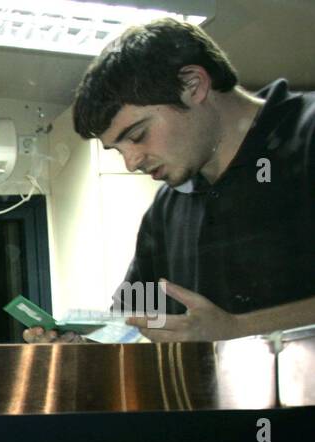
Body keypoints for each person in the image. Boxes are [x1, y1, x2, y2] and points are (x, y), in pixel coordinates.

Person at [25, 18, 314, 344]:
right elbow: (130, 317)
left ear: (193, 85)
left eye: (138, 135)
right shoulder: (167, 208)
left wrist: (238, 330)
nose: (131, 162)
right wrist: (84, 347)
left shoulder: (307, 136)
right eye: (117, 150)